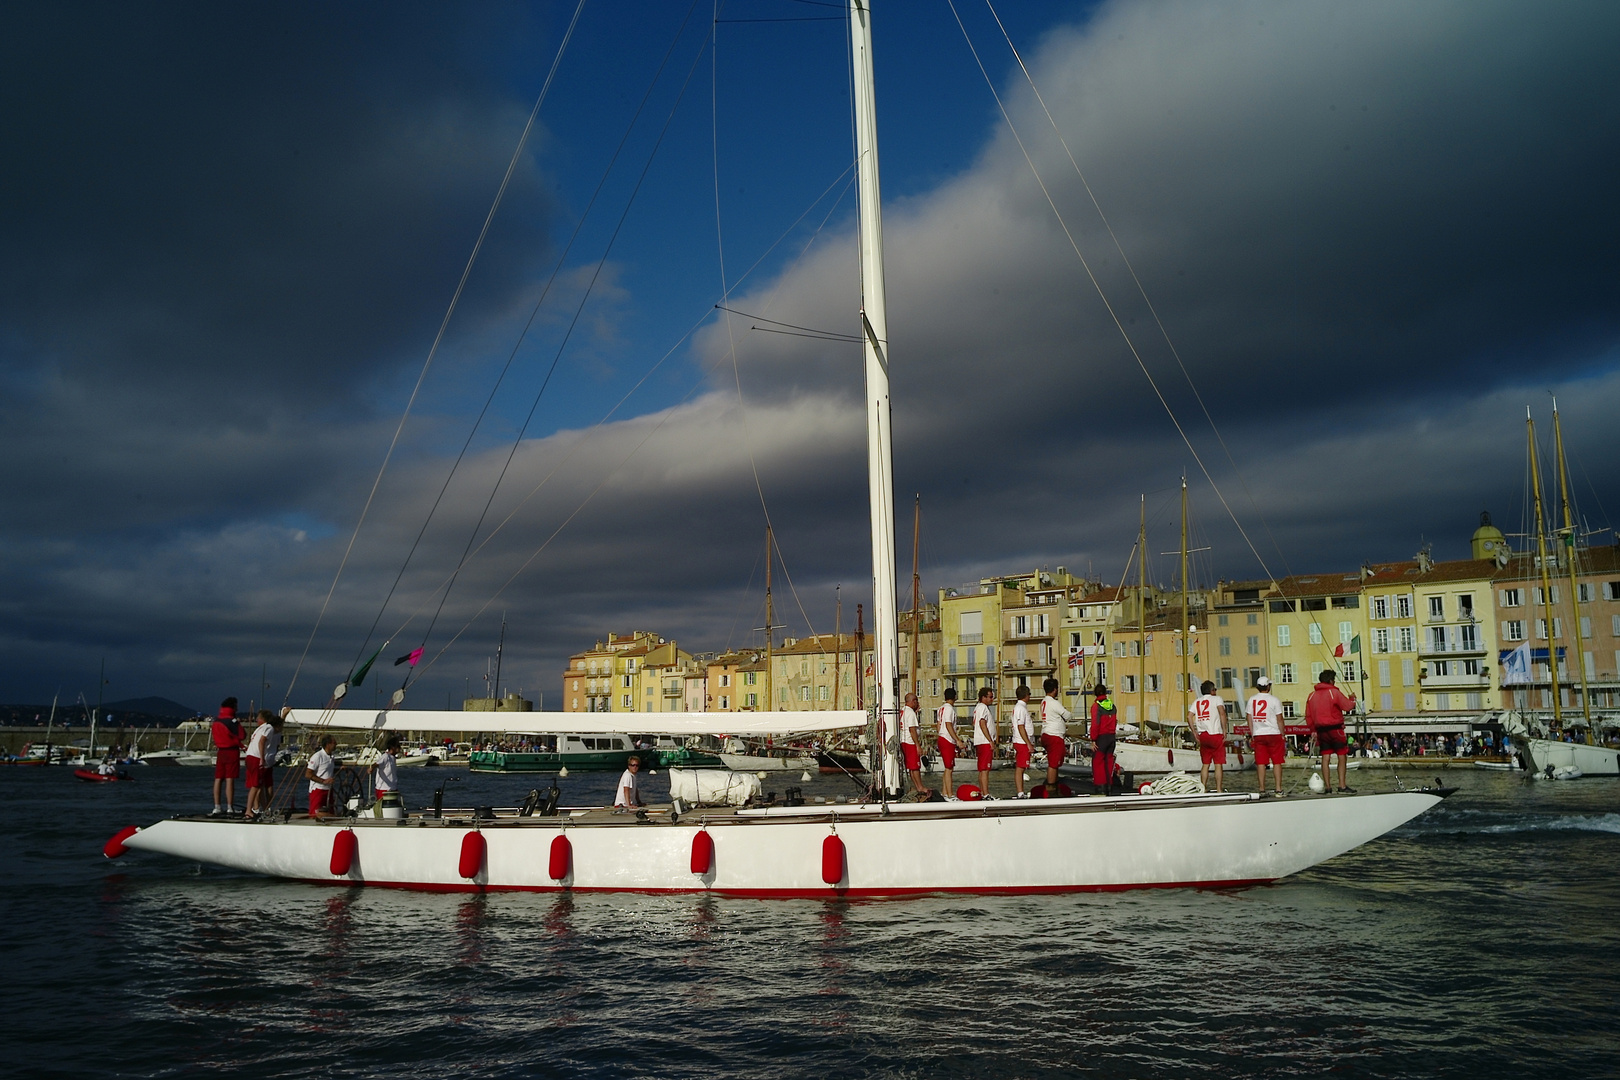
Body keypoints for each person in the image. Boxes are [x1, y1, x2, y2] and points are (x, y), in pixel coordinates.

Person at [1306, 668, 1358, 793]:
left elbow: (1308, 715)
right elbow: (1347, 706)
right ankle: (1342, 786)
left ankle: (1328, 787)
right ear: (1331, 680)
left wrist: (1313, 729)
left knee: (1325, 757)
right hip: (1335, 729)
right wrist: (1352, 699)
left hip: (1321, 730)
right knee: (1341, 755)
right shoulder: (1333, 692)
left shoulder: (1312, 696)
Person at [1246, 676, 1286, 796]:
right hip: (1273, 733)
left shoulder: (1252, 700)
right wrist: (1283, 733)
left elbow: (1249, 717)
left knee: (1261, 763)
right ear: (1268, 687)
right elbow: (1279, 719)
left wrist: (1252, 733)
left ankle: (1262, 788)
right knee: (1277, 762)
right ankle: (1278, 788)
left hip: (1259, 734)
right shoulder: (1274, 700)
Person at [243, 709, 283, 820]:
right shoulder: (269, 728)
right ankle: (249, 810)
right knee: (256, 786)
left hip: (250, 756)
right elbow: (262, 742)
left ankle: (264, 808)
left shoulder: (261, 728)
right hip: (256, 757)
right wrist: (261, 758)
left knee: (258, 785)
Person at [1190, 680, 1228, 793]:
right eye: (1215, 689)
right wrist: (1225, 730)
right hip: (1215, 733)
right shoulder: (1217, 699)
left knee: (1205, 764)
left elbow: (1189, 716)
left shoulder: (1197, 701)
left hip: (1203, 735)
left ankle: (1203, 788)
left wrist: (1194, 731)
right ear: (1212, 690)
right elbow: (1222, 713)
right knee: (1218, 764)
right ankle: (1219, 789)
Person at [210, 697, 244, 817]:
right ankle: (230, 807)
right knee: (230, 778)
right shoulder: (232, 721)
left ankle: (217, 806)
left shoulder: (216, 721)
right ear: (233, 707)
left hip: (221, 751)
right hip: (232, 751)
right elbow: (242, 735)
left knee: (218, 778)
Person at [1039, 677, 1072, 798]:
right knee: (1053, 764)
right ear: (1054, 689)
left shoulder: (1044, 702)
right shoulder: (1054, 703)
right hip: (1054, 735)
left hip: (1047, 733)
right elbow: (1067, 715)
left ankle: (1053, 785)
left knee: (1054, 763)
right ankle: (1051, 789)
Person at [935, 687, 965, 798]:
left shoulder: (940, 709)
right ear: (955, 697)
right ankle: (950, 794)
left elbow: (938, 724)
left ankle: (944, 792)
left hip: (942, 737)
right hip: (947, 739)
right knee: (949, 768)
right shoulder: (950, 710)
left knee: (948, 768)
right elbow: (948, 725)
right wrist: (957, 740)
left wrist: (940, 734)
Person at [1089, 683, 1118, 795]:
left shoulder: (1096, 706)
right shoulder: (1112, 706)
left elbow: (1095, 724)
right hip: (1111, 737)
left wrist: (1093, 739)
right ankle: (1109, 787)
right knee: (1109, 762)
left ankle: (1100, 788)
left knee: (1098, 762)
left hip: (1101, 737)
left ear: (1095, 694)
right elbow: (1115, 722)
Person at [898, 692, 928, 795]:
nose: (917, 702)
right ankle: (920, 786)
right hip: (910, 742)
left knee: (911, 766)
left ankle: (917, 785)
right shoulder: (910, 713)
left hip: (904, 741)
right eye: (916, 700)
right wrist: (917, 745)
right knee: (915, 766)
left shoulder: (903, 711)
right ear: (912, 701)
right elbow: (912, 730)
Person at [1009, 685, 1035, 798]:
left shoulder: (1021, 708)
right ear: (1025, 695)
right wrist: (1028, 743)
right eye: (1029, 694)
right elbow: (1021, 727)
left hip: (1022, 741)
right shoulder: (1020, 708)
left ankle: (1021, 791)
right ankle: (1020, 792)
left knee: (1022, 766)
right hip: (1022, 742)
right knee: (1020, 767)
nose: (1030, 696)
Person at [971, 686, 997, 797]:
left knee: (982, 769)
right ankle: (986, 793)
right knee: (985, 769)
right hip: (984, 742)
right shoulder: (983, 708)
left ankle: (982, 792)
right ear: (983, 697)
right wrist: (990, 740)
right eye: (990, 697)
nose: (992, 699)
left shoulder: (978, 708)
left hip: (980, 741)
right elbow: (982, 723)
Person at [305, 734, 337, 818]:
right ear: (328, 744)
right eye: (334, 742)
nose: (336, 744)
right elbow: (308, 774)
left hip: (329, 790)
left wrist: (340, 769)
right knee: (314, 815)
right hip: (318, 790)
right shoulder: (317, 756)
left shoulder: (332, 757)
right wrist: (323, 781)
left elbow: (326, 770)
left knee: (330, 815)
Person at [372, 735, 401, 810]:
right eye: (398, 746)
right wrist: (371, 769)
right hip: (384, 789)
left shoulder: (393, 758)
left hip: (392, 788)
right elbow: (376, 764)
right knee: (384, 808)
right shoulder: (385, 757)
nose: (400, 748)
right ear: (393, 747)